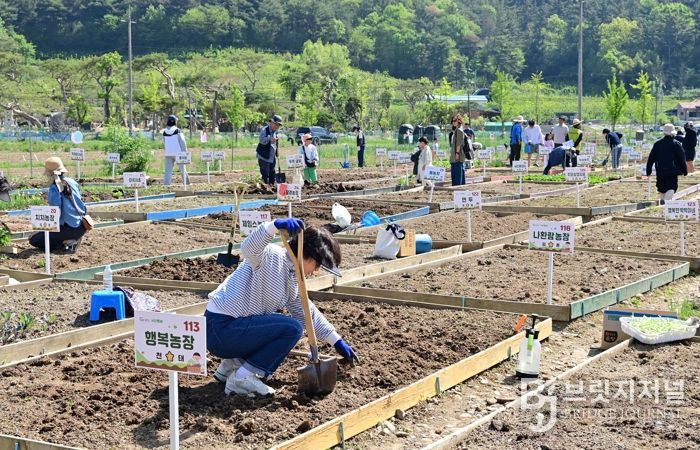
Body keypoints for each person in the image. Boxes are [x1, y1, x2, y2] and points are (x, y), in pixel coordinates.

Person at [205, 219, 358, 396]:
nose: (316, 271)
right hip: (221, 327)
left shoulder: (293, 279)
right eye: (317, 265)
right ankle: (242, 377)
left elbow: (306, 312)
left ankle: (232, 365)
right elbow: (248, 248)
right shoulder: (271, 256)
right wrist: (272, 226)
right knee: (291, 329)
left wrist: (336, 340)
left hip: (230, 331)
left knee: (279, 326)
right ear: (307, 255)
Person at [29, 157, 87, 252]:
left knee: (34, 239)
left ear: (50, 173)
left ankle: (67, 242)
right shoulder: (72, 182)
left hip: (68, 229)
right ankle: (71, 239)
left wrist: (42, 229)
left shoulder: (55, 187)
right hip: (81, 226)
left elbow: (55, 213)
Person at [646, 124, 688, 203]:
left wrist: (648, 171)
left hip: (660, 170)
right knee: (671, 187)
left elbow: (651, 158)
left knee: (662, 188)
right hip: (672, 170)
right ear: (673, 133)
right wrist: (684, 170)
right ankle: (665, 203)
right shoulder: (676, 144)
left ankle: (662, 202)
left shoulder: (657, 144)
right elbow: (682, 158)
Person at [162, 115, 189, 186]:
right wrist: (185, 152)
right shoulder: (178, 130)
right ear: (174, 121)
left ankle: (166, 185)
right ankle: (187, 183)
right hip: (178, 153)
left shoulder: (164, 131)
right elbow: (182, 142)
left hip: (168, 153)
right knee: (183, 169)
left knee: (168, 171)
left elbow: (164, 142)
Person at [257, 115, 282, 185]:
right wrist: (270, 139)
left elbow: (275, 143)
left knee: (272, 173)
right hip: (264, 156)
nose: (277, 126)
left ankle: (272, 187)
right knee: (265, 174)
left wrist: (277, 153)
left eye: (278, 125)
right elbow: (262, 140)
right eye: (276, 124)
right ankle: (264, 188)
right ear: (271, 122)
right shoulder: (264, 130)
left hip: (272, 156)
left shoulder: (276, 132)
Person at [450, 114, 466, 185]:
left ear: (459, 121)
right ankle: (459, 186)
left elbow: (459, 144)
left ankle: (457, 187)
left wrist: (457, 154)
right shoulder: (456, 130)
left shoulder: (459, 130)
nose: (453, 122)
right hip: (456, 156)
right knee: (458, 171)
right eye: (452, 121)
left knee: (457, 173)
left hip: (458, 156)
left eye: (455, 120)